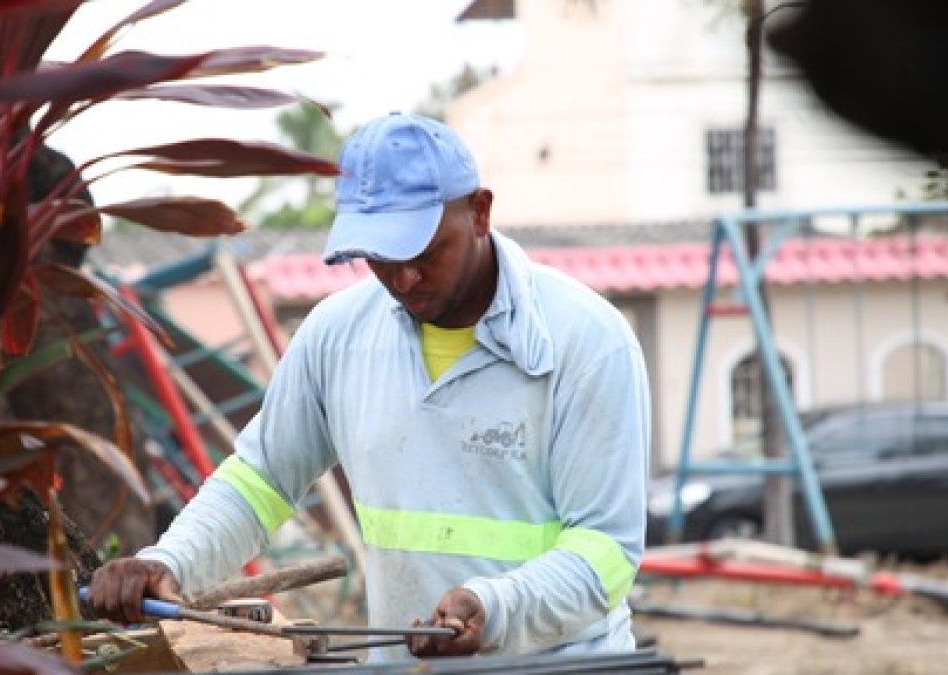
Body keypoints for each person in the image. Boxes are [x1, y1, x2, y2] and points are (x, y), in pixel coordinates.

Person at [87, 112, 651, 661]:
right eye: (380, 258)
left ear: (479, 211)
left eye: (425, 253)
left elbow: (607, 549)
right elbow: (260, 481)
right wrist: (170, 562)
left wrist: (494, 608)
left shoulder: (585, 342)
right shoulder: (337, 337)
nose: (403, 278)